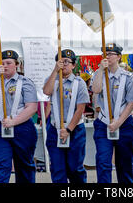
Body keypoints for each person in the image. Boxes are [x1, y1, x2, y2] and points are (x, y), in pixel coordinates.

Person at [0, 50, 38, 183]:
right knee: (1, 165)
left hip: (22, 127)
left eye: (8, 63)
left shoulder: (25, 82)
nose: (5, 66)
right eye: (2, 63)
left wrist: (14, 121)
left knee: (24, 165)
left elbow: (31, 107)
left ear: (16, 65)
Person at [91, 43, 133, 183]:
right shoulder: (98, 74)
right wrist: (101, 69)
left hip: (124, 123)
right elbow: (95, 89)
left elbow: (132, 102)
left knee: (124, 163)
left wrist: (118, 122)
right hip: (103, 123)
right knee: (103, 161)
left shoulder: (128, 77)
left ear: (118, 57)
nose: (107, 56)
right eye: (105, 54)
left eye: (111, 54)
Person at [43, 49, 89, 183]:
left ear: (74, 65)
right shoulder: (52, 79)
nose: (64, 64)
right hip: (55, 128)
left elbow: (80, 109)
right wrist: (55, 71)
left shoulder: (79, 83)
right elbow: (47, 91)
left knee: (75, 168)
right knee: (58, 169)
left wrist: (68, 129)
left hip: (74, 130)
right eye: (61, 61)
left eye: (67, 62)